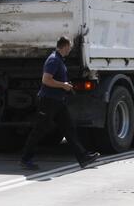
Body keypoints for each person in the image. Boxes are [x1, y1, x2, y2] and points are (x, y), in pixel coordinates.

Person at [19, 36, 100, 170]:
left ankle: (83, 157)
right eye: (69, 47)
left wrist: (65, 85)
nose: (70, 50)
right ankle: (25, 159)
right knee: (39, 131)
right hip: (48, 101)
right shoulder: (53, 60)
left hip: (58, 102)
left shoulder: (59, 60)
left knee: (69, 129)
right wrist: (63, 85)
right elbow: (46, 80)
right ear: (64, 46)